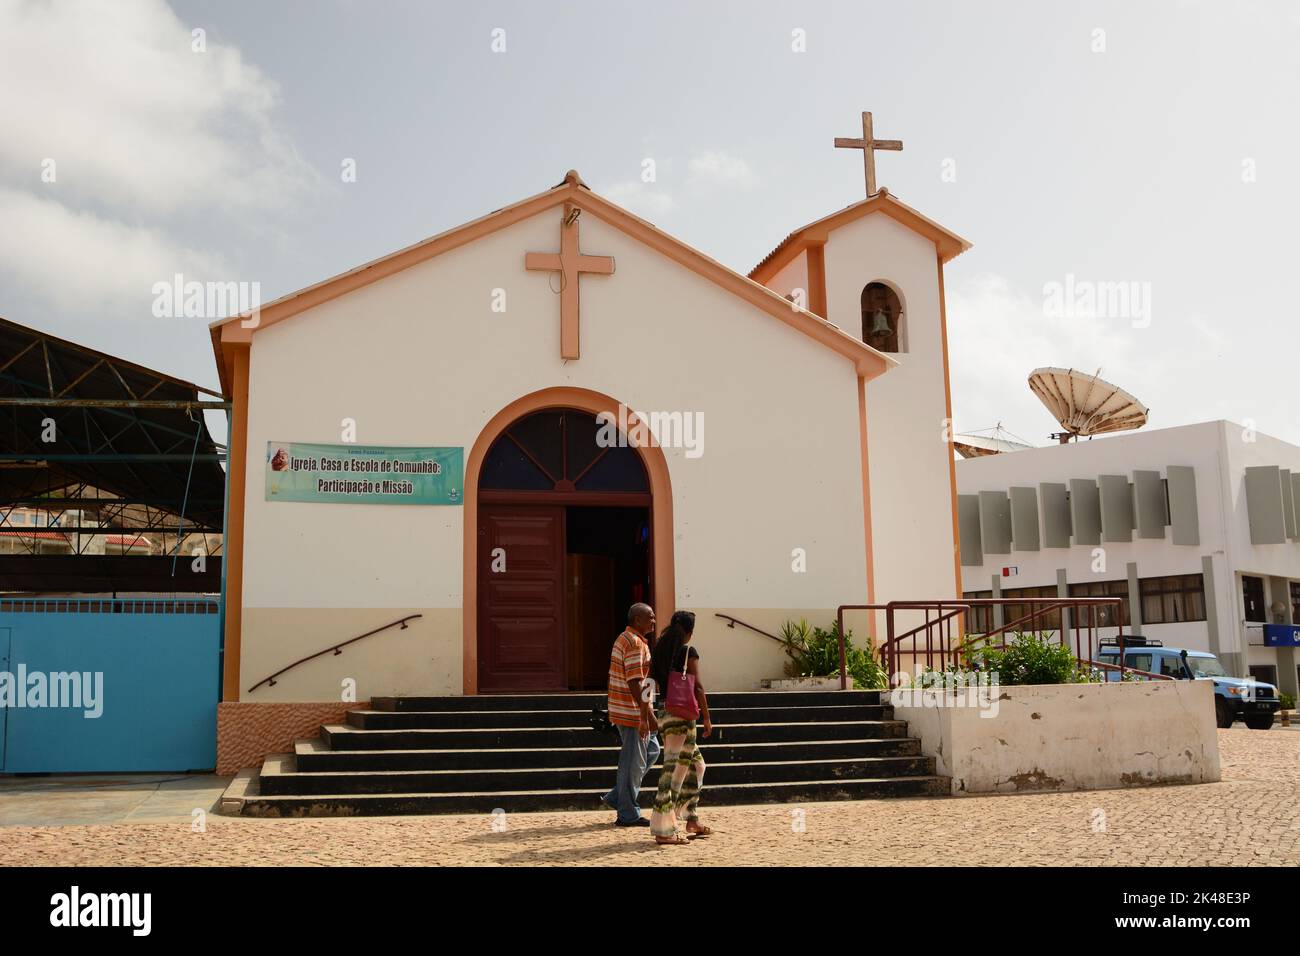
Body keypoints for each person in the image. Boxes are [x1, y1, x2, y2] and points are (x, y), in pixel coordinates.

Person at [647, 609, 712, 845]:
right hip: (683, 717)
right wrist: (706, 717)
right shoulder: (687, 652)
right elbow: (699, 688)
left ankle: (690, 818)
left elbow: (649, 684)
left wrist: (650, 714)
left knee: (697, 765)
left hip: (666, 713)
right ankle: (663, 829)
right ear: (690, 632)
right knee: (673, 771)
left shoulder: (660, 651)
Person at [601, 603, 661, 826]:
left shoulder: (624, 639)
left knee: (651, 750)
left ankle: (618, 796)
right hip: (632, 711)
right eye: (650, 618)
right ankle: (627, 813)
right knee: (632, 762)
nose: (654, 621)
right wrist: (645, 717)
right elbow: (636, 682)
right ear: (638, 620)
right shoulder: (635, 643)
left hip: (625, 708)